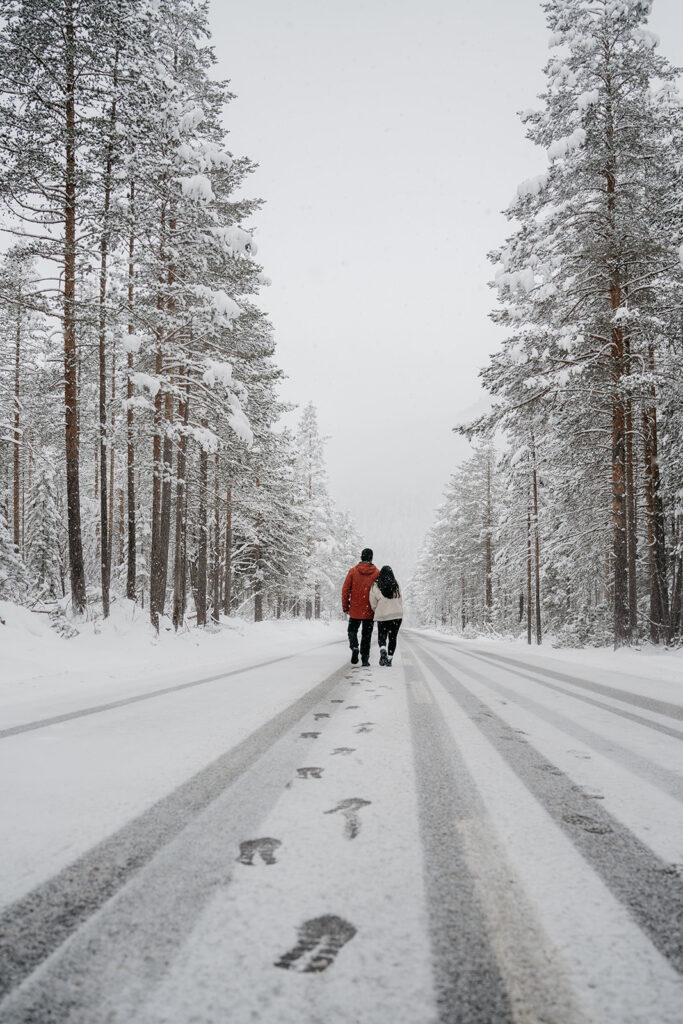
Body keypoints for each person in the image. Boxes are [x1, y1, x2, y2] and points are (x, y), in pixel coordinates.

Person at [341, 548, 380, 667]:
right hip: (370, 609)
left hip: (355, 608)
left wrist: (345, 607)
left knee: (352, 631)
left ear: (361, 557)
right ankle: (365, 658)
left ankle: (354, 647)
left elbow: (345, 590)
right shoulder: (377, 573)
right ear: (371, 558)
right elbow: (380, 591)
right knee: (366, 635)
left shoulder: (353, 571)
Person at [369, 565, 403, 666]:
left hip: (383, 615)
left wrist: (377, 610)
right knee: (393, 637)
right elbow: (400, 599)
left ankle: (383, 649)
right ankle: (389, 658)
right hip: (397, 615)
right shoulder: (396, 584)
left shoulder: (376, 585)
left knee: (382, 635)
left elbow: (373, 601)